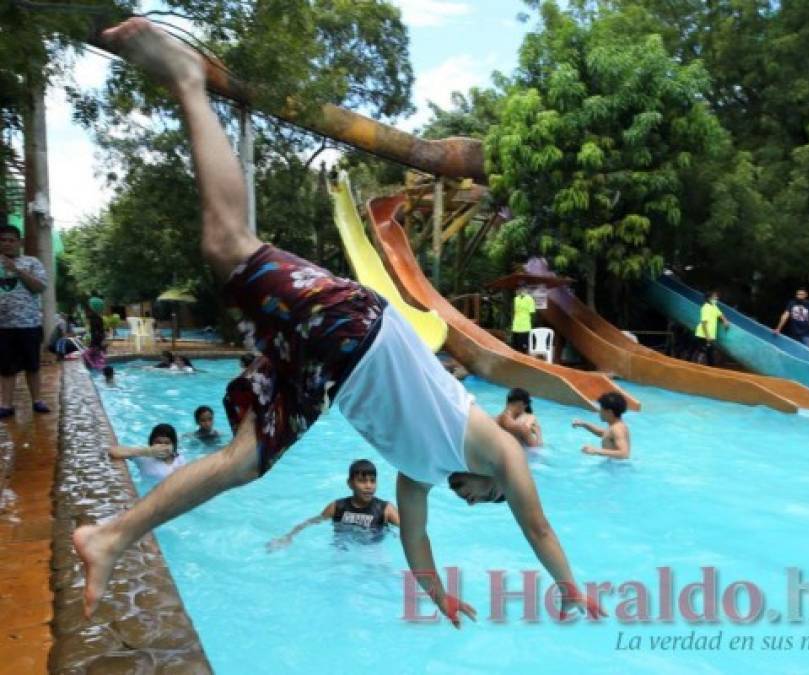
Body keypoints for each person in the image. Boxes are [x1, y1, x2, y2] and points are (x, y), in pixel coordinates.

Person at [73, 19, 599, 628]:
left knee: (245, 461)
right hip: (357, 328)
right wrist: (567, 588)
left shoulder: (418, 475)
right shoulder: (498, 449)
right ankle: (188, 79)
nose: (476, 501)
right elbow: (536, 523)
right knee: (227, 246)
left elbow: (417, 543)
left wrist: (437, 596)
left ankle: (112, 537)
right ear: (497, 485)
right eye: (489, 500)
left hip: (331, 373)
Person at [267, 459, 400, 551]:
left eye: (372, 481)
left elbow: (408, 530)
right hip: (341, 549)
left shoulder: (385, 509)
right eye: (362, 481)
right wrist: (288, 537)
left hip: (372, 550)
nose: (368, 486)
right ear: (350, 483)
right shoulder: (337, 507)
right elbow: (311, 522)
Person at [0, 224, 50, 418]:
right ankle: (6, 405)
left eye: (11, 240)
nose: (6, 243)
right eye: (3, 240)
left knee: (33, 366)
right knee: (6, 368)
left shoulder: (31, 262)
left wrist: (17, 270)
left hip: (28, 324)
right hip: (3, 326)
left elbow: (40, 287)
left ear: (19, 242)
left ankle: (37, 401)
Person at [108, 423, 186, 480]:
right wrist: (146, 451)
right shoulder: (145, 457)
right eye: (158, 442)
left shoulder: (179, 459)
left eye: (167, 443)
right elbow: (113, 451)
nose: (162, 447)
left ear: (174, 445)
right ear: (151, 443)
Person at [573, 392, 631, 460]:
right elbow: (603, 433)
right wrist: (584, 424)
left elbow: (624, 453)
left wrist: (596, 451)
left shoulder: (617, 429)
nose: (599, 412)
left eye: (601, 409)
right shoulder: (615, 426)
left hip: (617, 468)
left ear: (609, 412)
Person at [692, 290, 730, 366]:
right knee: (706, 352)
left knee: (708, 352)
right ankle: (702, 366)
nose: (716, 298)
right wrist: (707, 336)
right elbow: (703, 323)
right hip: (703, 334)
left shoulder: (714, 307)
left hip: (710, 335)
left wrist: (725, 321)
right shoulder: (705, 308)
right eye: (714, 297)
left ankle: (706, 366)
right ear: (709, 298)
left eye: (716, 296)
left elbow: (720, 314)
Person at [510, 283, 536, 353]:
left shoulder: (530, 299)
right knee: (515, 346)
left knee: (524, 346)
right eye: (519, 288)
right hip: (516, 325)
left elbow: (532, 313)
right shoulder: (515, 299)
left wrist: (531, 324)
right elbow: (513, 311)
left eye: (523, 288)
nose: (520, 290)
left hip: (525, 325)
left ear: (526, 290)